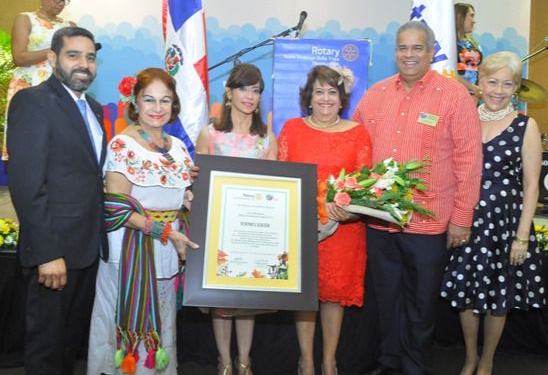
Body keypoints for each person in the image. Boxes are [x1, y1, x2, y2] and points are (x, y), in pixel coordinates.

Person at [352, 21, 483, 375]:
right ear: (395, 52)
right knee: (386, 298)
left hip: (429, 223)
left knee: (421, 303)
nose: (408, 55)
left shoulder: (453, 96)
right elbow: (356, 150)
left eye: (417, 48)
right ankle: (390, 361)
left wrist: (461, 218)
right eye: (402, 48)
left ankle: (414, 366)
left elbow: (469, 161)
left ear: (430, 52)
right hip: (379, 221)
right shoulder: (375, 94)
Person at [7, 26, 107, 375]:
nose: (84, 64)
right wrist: (48, 253)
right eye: (73, 55)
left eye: (90, 57)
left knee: (67, 348)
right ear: (52, 59)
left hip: (87, 251)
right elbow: (26, 184)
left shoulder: (93, 109)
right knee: (46, 352)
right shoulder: (33, 101)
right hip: (54, 255)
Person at [87, 68, 199, 375]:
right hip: (129, 251)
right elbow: (114, 207)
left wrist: (194, 199)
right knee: (119, 325)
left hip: (166, 249)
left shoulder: (177, 148)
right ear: (134, 103)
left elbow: (181, 197)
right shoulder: (122, 145)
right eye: (149, 99)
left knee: (161, 324)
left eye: (165, 100)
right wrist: (164, 230)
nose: (157, 108)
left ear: (174, 104)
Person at [440, 52, 545, 375]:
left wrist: (522, 237)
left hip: (505, 225)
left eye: (507, 84)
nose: (498, 90)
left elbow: (531, 187)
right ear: (480, 83)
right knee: (466, 292)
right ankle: (470, 357)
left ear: (516, 89)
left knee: (499, 296)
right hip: (465, 221)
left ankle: (487, 361)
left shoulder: (525, 125)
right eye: (492, 82)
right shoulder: (464, 117)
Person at [278, 65, 371, 375]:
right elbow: (281, 178)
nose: (326, 98)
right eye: (319, 91)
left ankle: (329, 361)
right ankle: (305, 360)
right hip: (301, 228)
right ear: (308, 97)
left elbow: (365, 184)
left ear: (342, 98)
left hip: (343, 229)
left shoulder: (357, 133)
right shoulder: (292, 129)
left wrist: (352, 209)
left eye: (332, 91)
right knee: (305, 293)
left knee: (333, 296)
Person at [196, 63, 277, 375]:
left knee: (248, 296)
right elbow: (199, 183)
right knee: (221, 299)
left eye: (256, 90)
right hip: (219, 230)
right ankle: (224, 362)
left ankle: (244, 361)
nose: (250, 96)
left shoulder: (267, 138)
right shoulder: (211, 134)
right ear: (229, 92)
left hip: (254, 231)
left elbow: (276, 188)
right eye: (244, 88)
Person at [4, 0, 75, 159]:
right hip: (30, 88)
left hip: (58, 89)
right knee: (28, 141)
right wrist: (53, 50)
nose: (60, 3)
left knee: (57, 142)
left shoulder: (70, 26)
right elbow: (19, 57)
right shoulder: (26, 19)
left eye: (64, 0)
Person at [455, 3, 483, 98]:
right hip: (455, 96)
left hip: (473, 97)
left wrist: (476, 94)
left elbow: (479, 69)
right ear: (459, 17)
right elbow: (447, 72)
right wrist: (472, 88)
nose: (474, 21)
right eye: (471, 16)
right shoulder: (447, 44)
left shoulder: (472, 43)